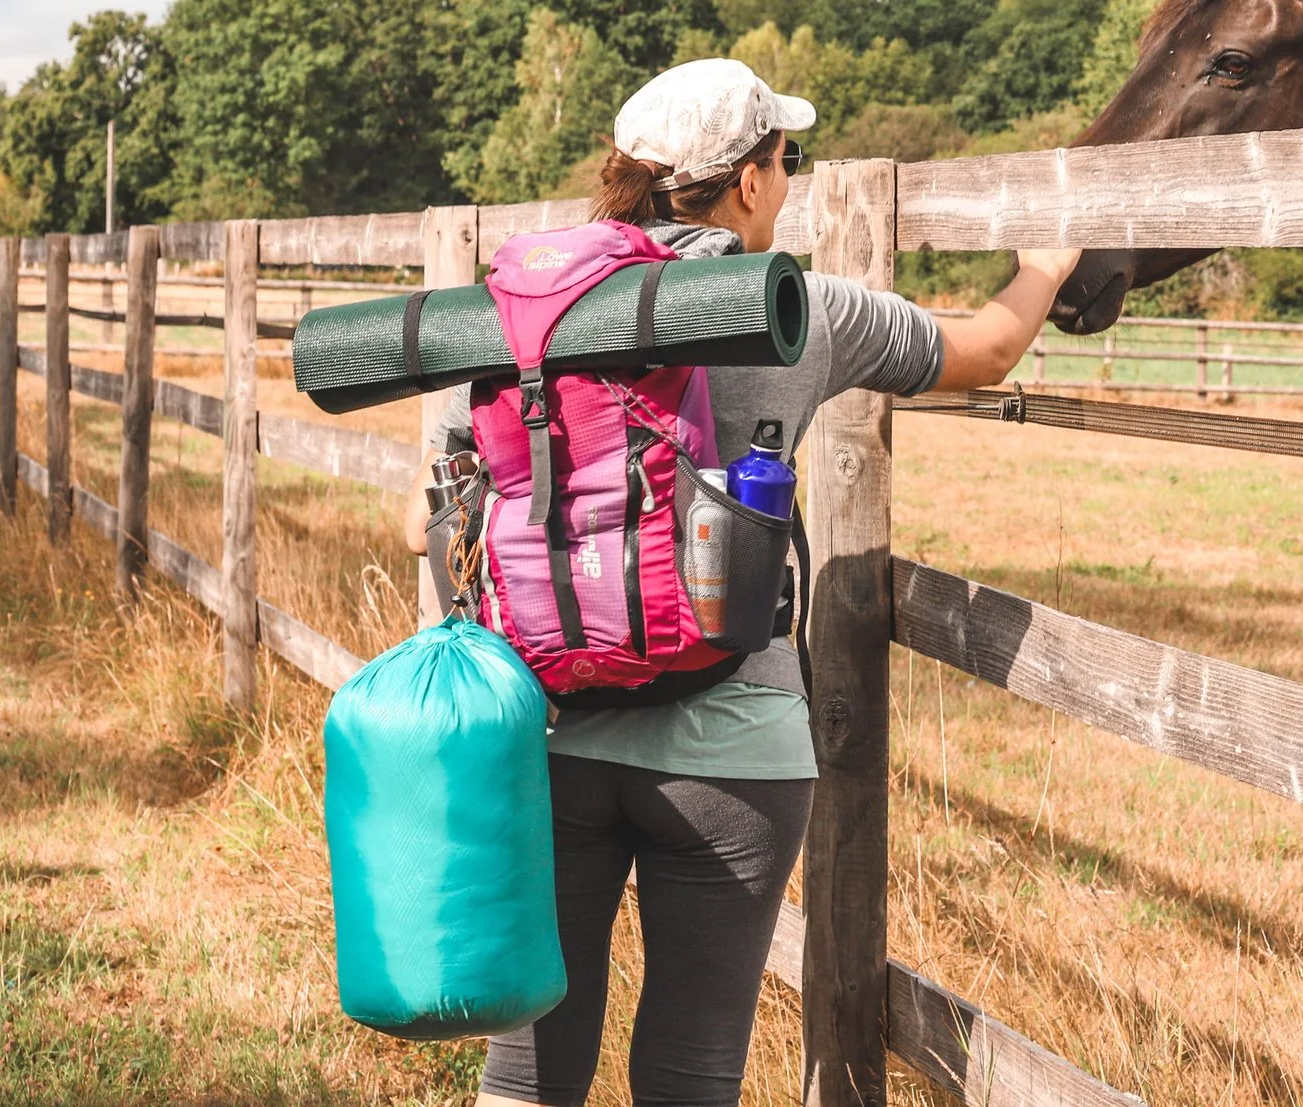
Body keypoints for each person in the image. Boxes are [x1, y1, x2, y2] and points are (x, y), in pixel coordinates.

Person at [404, 57, 1080, 1107]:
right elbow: (986, 350)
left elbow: (427, 523)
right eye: (785, 157)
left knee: (529, 1063)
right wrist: (1045, 259)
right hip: (734, 753)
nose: (787, 179)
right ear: (750, 182)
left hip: (550, 732)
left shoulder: (515, 315)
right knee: (692, 1065)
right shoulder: (797, 308)